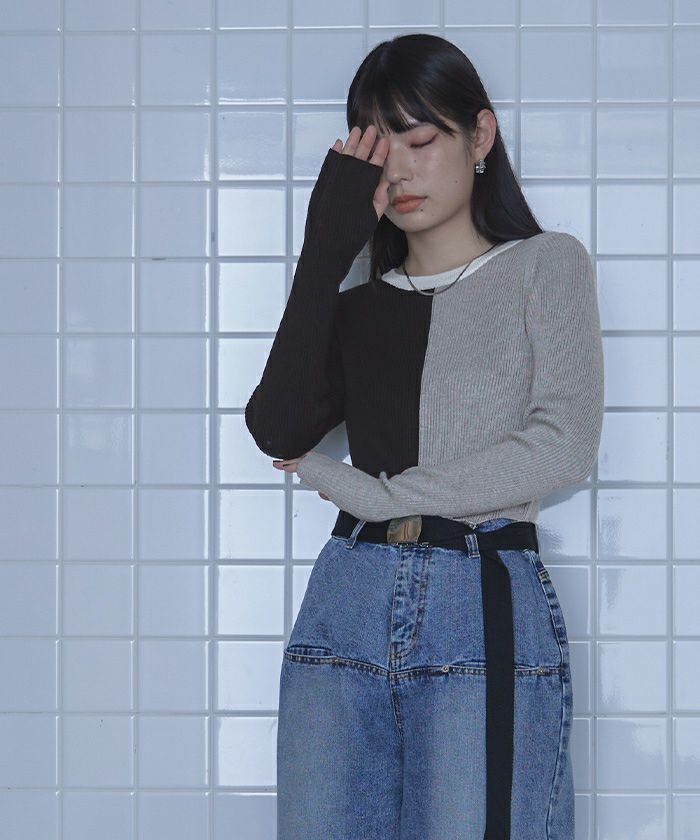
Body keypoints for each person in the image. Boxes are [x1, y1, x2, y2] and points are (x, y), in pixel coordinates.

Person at [245, 32, 603, 840]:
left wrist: (378, 496)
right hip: (347, 597)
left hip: (479, 595)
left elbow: (563, 441)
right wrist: (325, 246)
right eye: (380, 151)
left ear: (480, 136)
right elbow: (277, 426)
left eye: (420, 140)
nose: (400, 172)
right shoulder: (358, 301)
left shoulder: (545, 266)